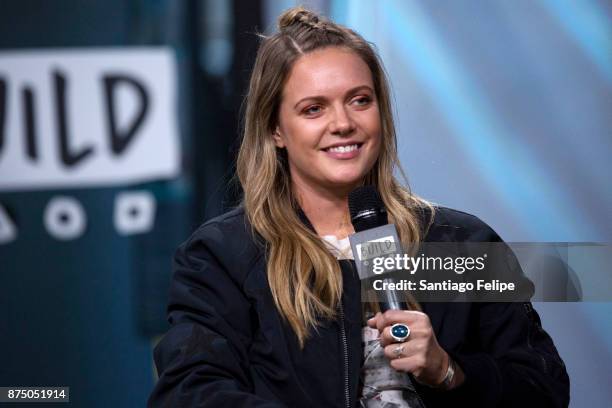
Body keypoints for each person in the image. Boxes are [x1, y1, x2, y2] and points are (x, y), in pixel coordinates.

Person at [148, 7, 569, 408]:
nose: (343, 123)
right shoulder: (226, 255)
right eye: (314, 109)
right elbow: (190, 392)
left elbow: (543, 389)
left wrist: (449, 372)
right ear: (275, 129)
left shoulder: (461, 243)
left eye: (360, 100)